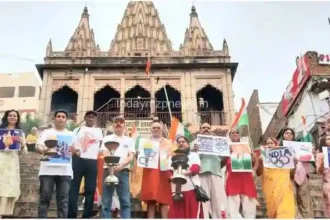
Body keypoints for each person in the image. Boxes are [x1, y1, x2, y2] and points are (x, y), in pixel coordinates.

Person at [36, 109, 80, 218]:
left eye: (63, 117)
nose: (60, 118)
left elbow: (79, 152)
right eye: (58, 116)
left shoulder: (71, 134)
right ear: (54, 119)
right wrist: (43, 149)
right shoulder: (46, 132)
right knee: (44, 199)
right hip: (47, 170)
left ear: (66, 120)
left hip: (65, 171)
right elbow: (38, 146)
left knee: (63, 201)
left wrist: (75, 151)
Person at [68, 110, 103, 218]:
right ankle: (71, 214)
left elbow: (101, 146)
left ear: (95, 119)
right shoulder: (77, 130)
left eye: (93, 117)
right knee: (73, 188)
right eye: (89, 117)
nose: (91, 119)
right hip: (78, 160)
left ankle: (86, 215)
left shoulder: (99, 131)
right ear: (85, 118)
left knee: (90, 189)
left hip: (92, 161)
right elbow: (71, 144)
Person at [100, 116, 135, 218]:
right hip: (108, 170)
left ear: (124, 125)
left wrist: (121, 165)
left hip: (123, 171)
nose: (119, 124)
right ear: (113, 125)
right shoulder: (107, 138)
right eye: (116, 122)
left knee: (125, 201)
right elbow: (105, 152)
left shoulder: (129, 140)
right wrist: (111, 165)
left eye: (121, 122)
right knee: (106, 201)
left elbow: (131, 156)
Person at [192, 122, 227, 218]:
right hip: (201, 174)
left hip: (216, 173)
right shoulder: (194, 143)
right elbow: (190, 158)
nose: (206, 129)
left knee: (218, 200)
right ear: (200, 130)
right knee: (204, 200)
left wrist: (227, 153)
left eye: (208, 127)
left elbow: (222, 162)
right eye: (204, 127)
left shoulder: (218, 143)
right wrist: (194, 150)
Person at [255, 137, 295, 218]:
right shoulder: (263, 157)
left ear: (276, 145)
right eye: (267, 143)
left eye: (271, 143)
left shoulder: (284, 157)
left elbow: (292, 174)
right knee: (272, 212)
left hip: (284, 189)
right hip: (270, 190)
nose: (269, 145)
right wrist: (260, 162)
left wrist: (294, 162)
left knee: (284, 212)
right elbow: (258, 173)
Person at [139, 121, 172, 218]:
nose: (156, 129)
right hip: (150, 172)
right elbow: (142, 158)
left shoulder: (168, 142)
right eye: (154, 128)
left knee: (164, 198)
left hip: (164, 172)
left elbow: (171, 157)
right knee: (151, 198)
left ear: (161, 130)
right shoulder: (145, 142)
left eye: (158, 128)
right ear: (151, 129)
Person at [281, 128, 314, 219]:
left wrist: (310, 152)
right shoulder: (279, 149)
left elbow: (308, 158)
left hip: (302, 175)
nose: (288, 135)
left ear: (293, 136)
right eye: (286, 133)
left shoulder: (301, 147)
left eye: (291, 133)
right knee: (292, 201)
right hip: (287, 177)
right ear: (283, 135)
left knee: (305, 201)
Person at [225, 128, 258, 218]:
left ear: (240, 135)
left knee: (249, 204)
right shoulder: (225, 149)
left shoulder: (247, 147)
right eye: (232, 133)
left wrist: (253, 158)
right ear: (230, 136)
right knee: (232, 205)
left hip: (246, 178)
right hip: (232, 178)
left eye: (237, 132)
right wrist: (227, 153)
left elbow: (253, 164)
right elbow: (222, 163)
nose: (235, 134)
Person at [168, 136, 203, 218]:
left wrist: (187, 173)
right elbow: (169, 171)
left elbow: (196, 167)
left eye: (183, 142)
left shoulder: (194, 155)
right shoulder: (172, 157)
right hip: (176, 191)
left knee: (192, 215)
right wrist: (171, 177)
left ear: (188, 145)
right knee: (176, 215)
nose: (181, 143)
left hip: (191, 190)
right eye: (179, 142)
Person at [0, 110, 26, 218]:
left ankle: (1, 213)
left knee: (8, 189)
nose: (12, 117)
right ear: (6, 117)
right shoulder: (0, 131)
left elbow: (24, 153)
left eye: (14, 116)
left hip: (12, 164)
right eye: (10, 115)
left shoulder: (20, 133)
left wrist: (22, 144)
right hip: (1, 160)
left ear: (17, 118)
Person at [316, 134, 330, 217]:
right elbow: (318, 171)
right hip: (328, 183)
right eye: (328, 139)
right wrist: (323, 162)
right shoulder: (320, 155)